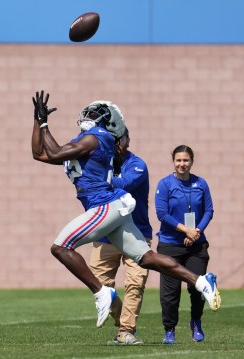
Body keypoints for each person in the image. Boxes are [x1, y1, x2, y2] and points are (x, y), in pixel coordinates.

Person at [30, 91, 221, 334]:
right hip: (112, 208)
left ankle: (102, 293)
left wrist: (45, 123)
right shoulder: (83, 142)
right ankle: (201, 281)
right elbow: (39, 153)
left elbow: (55, 152)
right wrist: (37, 120)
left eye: (96, 113)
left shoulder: (97, 137)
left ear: (108, 122)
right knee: (146, 258)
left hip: (104, 205)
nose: (89, 115)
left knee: (60, 247)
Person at [89, 127, 152, 345]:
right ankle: (119, 318)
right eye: (112, 139)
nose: (116, 143)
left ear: (128, 140)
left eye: (120, 139)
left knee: (135, 283)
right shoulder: (102, 163)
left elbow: (124, 185)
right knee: (99, 285)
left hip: (137, 233)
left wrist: (95, 177)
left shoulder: (137, 165)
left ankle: (126, 331)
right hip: (105, 234)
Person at [154, 145, 214, 344]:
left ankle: (196, 322)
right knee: (169, 292)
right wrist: (185, 230)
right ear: (173, 161)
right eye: (178, 160)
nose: (182, 164)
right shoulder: (164, 184)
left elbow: (209, 211)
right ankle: (169, 330)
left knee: (196, 287)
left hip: (196, 246)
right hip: (170, 245)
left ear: (192, 161)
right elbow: (162, 214)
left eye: (186, 160)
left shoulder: (201, 183)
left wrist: (195, 232)